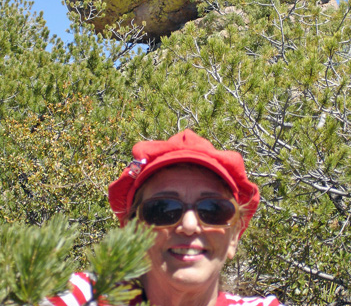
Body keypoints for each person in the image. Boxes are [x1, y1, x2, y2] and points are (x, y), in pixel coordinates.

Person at [44, 130, 284, 306]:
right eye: (163, 210)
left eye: (213, 210)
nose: (189, 226)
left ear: (234, 236)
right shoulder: (85, 296)